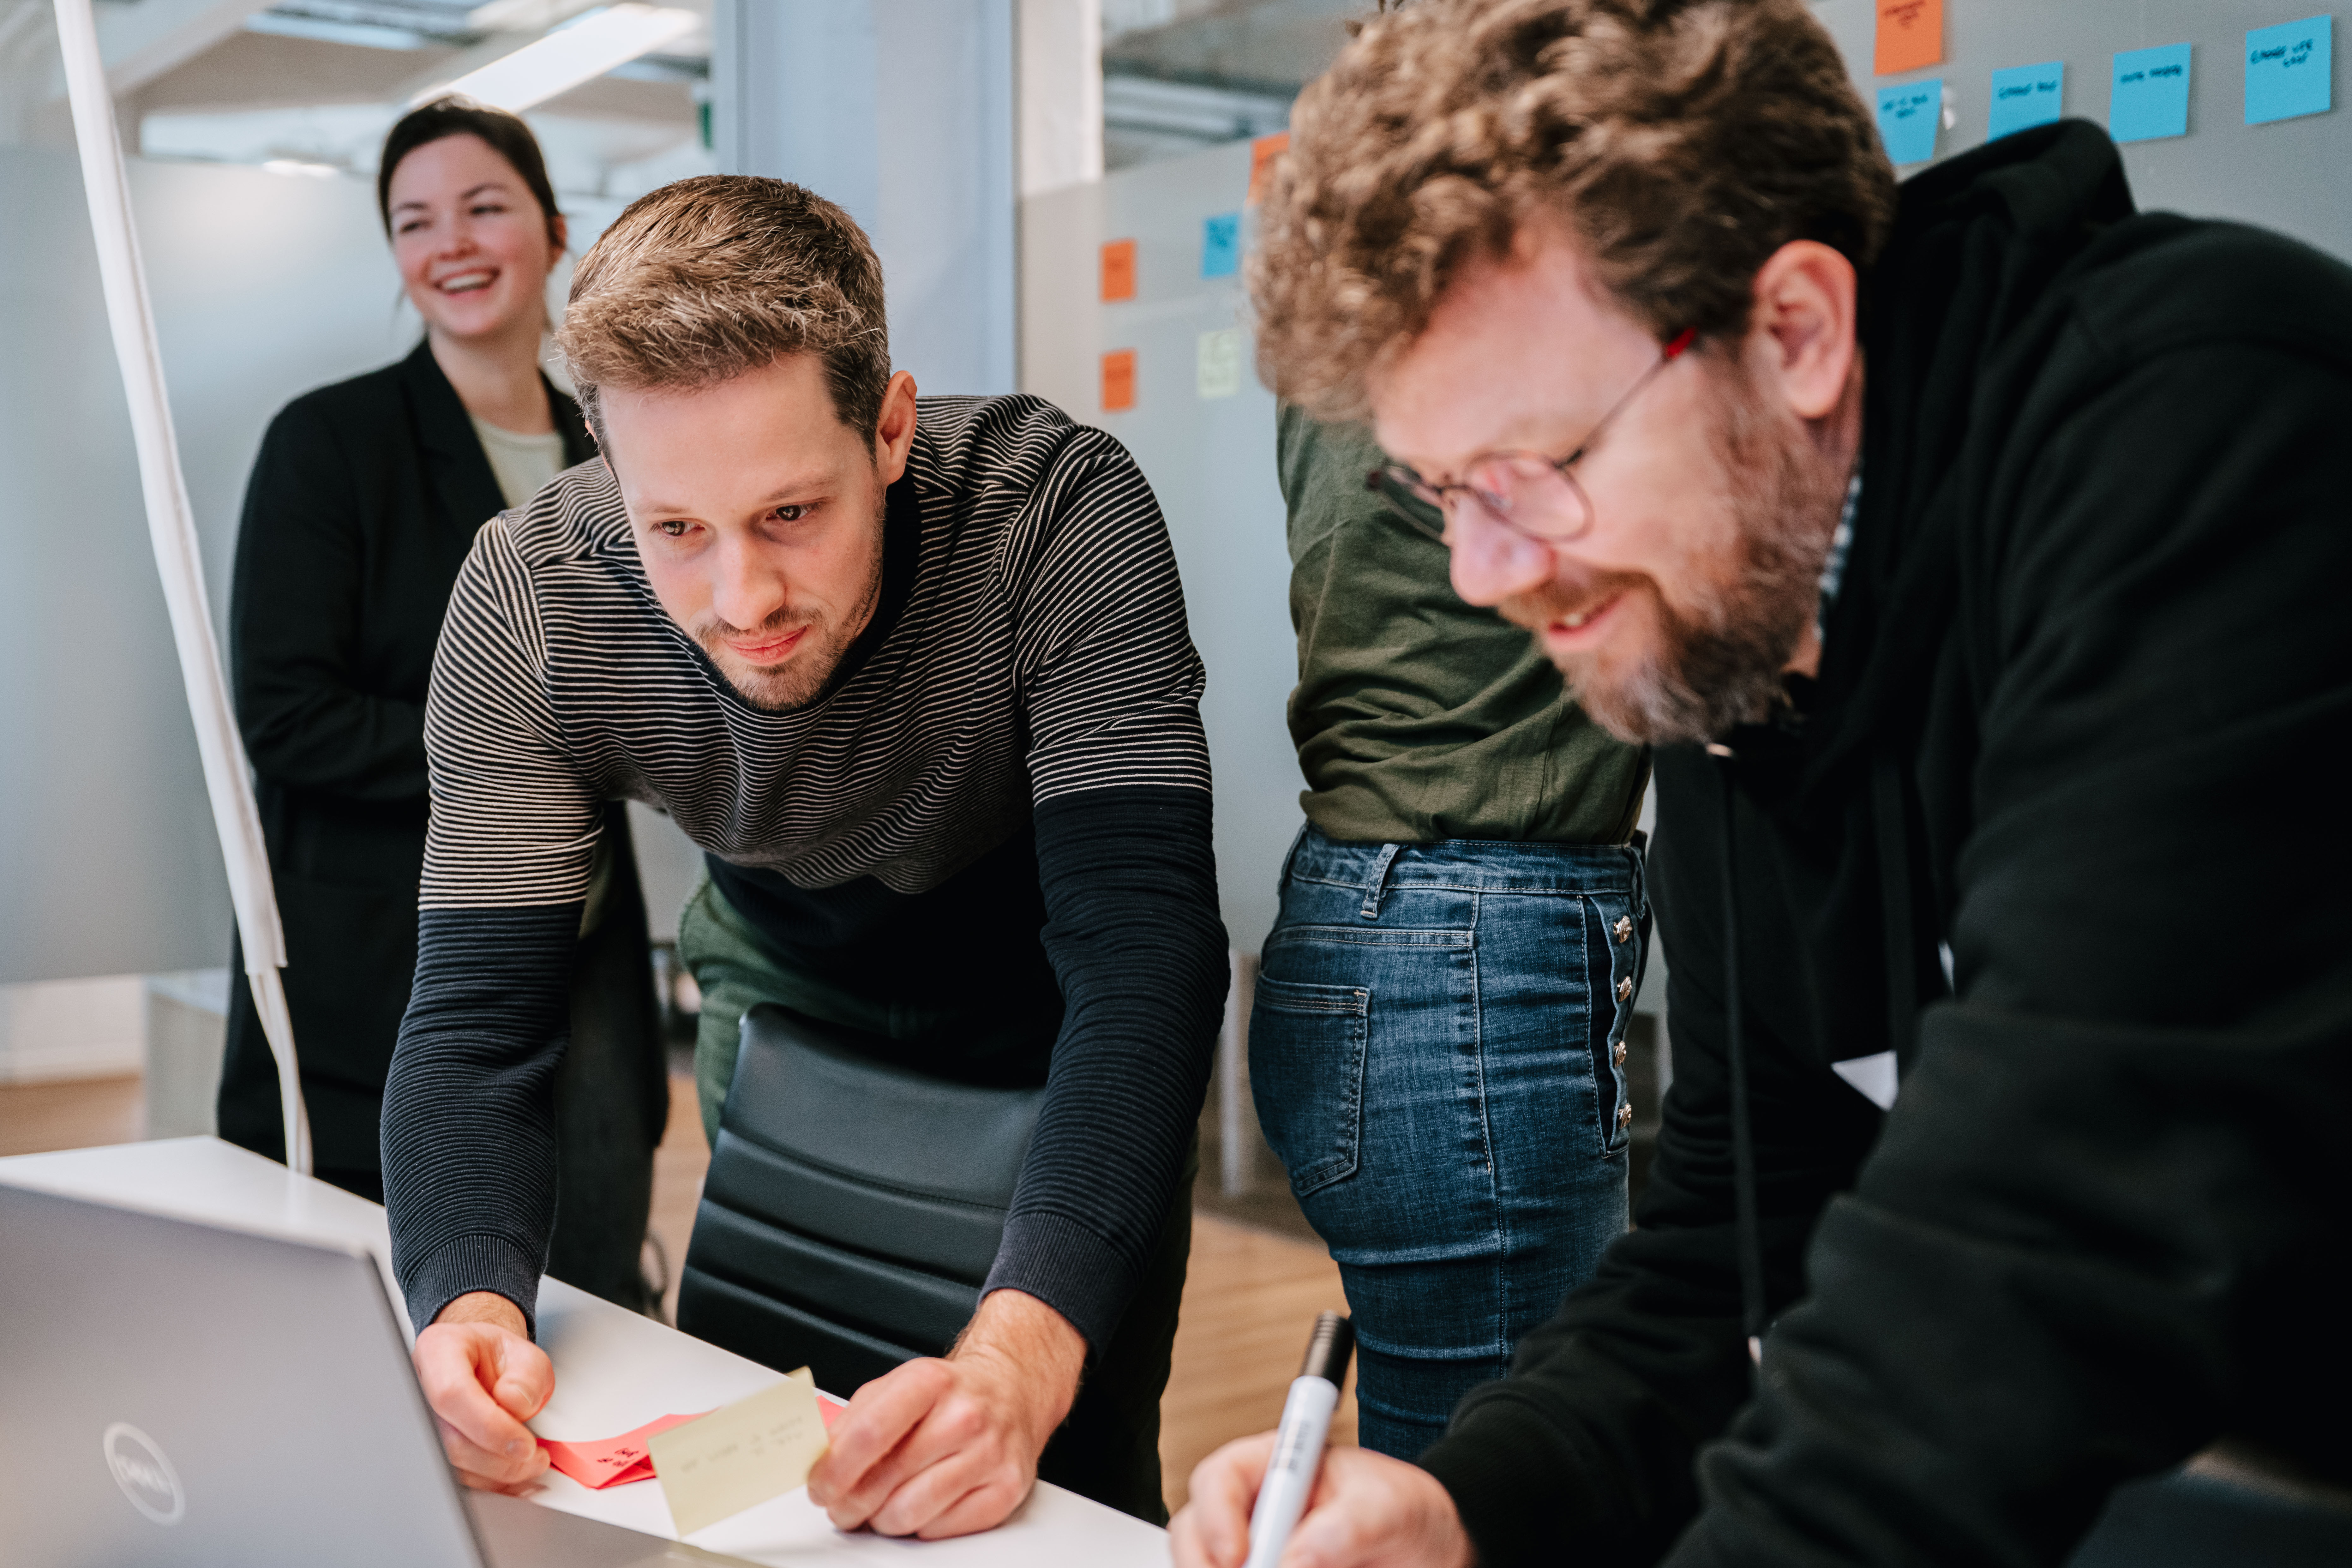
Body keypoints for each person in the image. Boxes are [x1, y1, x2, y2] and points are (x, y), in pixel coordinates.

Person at [1173, 1, 2352, 1564]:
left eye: (1531, 470)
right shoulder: (1729, 610)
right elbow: (1740, 1231)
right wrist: (1467, 1503)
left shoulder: (2205, 429)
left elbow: (2028, 1251)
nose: (1481, 575)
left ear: (1791, 331)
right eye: (1442, 494)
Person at [382, 175, 1227, 1535]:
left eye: (790, 514)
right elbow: (477, 1026)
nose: (744, 600)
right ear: (601, 458)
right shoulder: (530, 595)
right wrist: (466, 1307)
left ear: (889, 427)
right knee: (771, 1481)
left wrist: (1020, 1362)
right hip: (779, 997)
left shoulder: (1052, 516)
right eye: (675, 531)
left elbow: (1141, 957)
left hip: (1054, 1020)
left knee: (1054, 1496)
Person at [221, 97, 666, 1313]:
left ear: (554, 230)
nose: (451, 243)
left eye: (484, 207)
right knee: (402, 1327)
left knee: (598, 1301)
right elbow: (286, 715)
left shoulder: (621, 449)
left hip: (589, 956)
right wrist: (520, 752)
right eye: (414, 222)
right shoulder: (330, 445)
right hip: (392, 967)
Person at [1253, 405, 1648, 1461]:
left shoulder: (1334, 290)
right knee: (1497, 1468)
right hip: (1473, 944)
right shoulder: (1492, 306)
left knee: (1460, 1457)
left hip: (1373, 913)